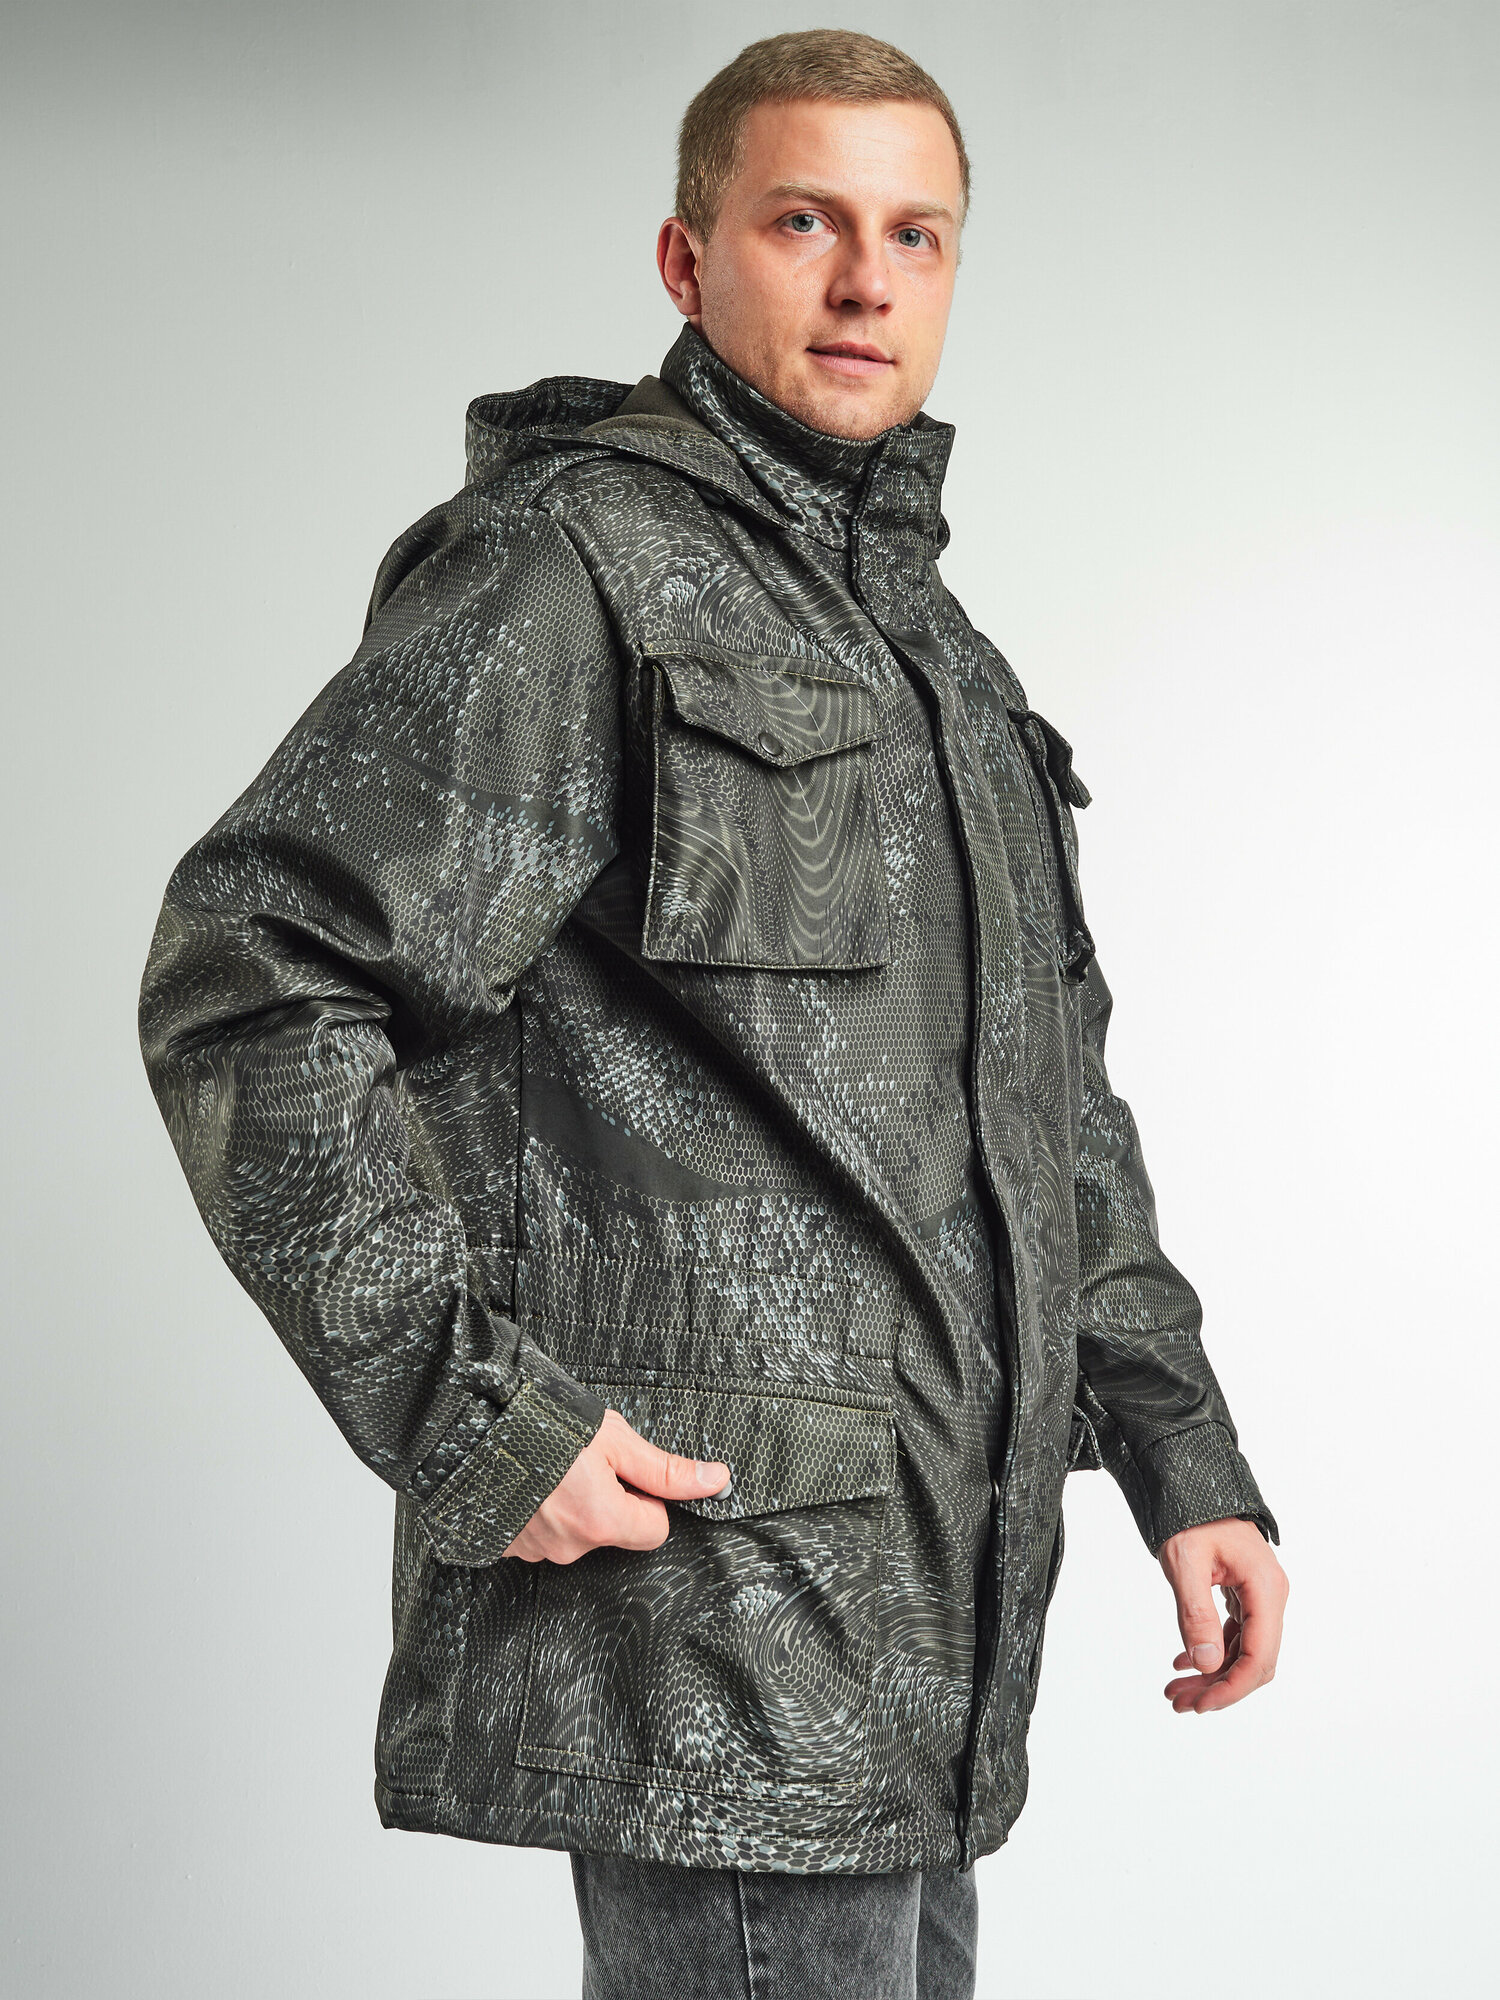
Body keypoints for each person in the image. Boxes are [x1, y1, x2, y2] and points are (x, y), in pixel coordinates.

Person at [137, 27, 1288, 2000]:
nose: (866, 283)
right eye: (804, 222)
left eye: (914, 236)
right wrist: (471, 1413)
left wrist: (1188, 1464)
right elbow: (255, 969)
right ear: (687, 260)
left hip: (924, 1635)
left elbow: (1048, 1112)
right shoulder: (574, 566)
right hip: (716, 1621)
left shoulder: (941, 660)